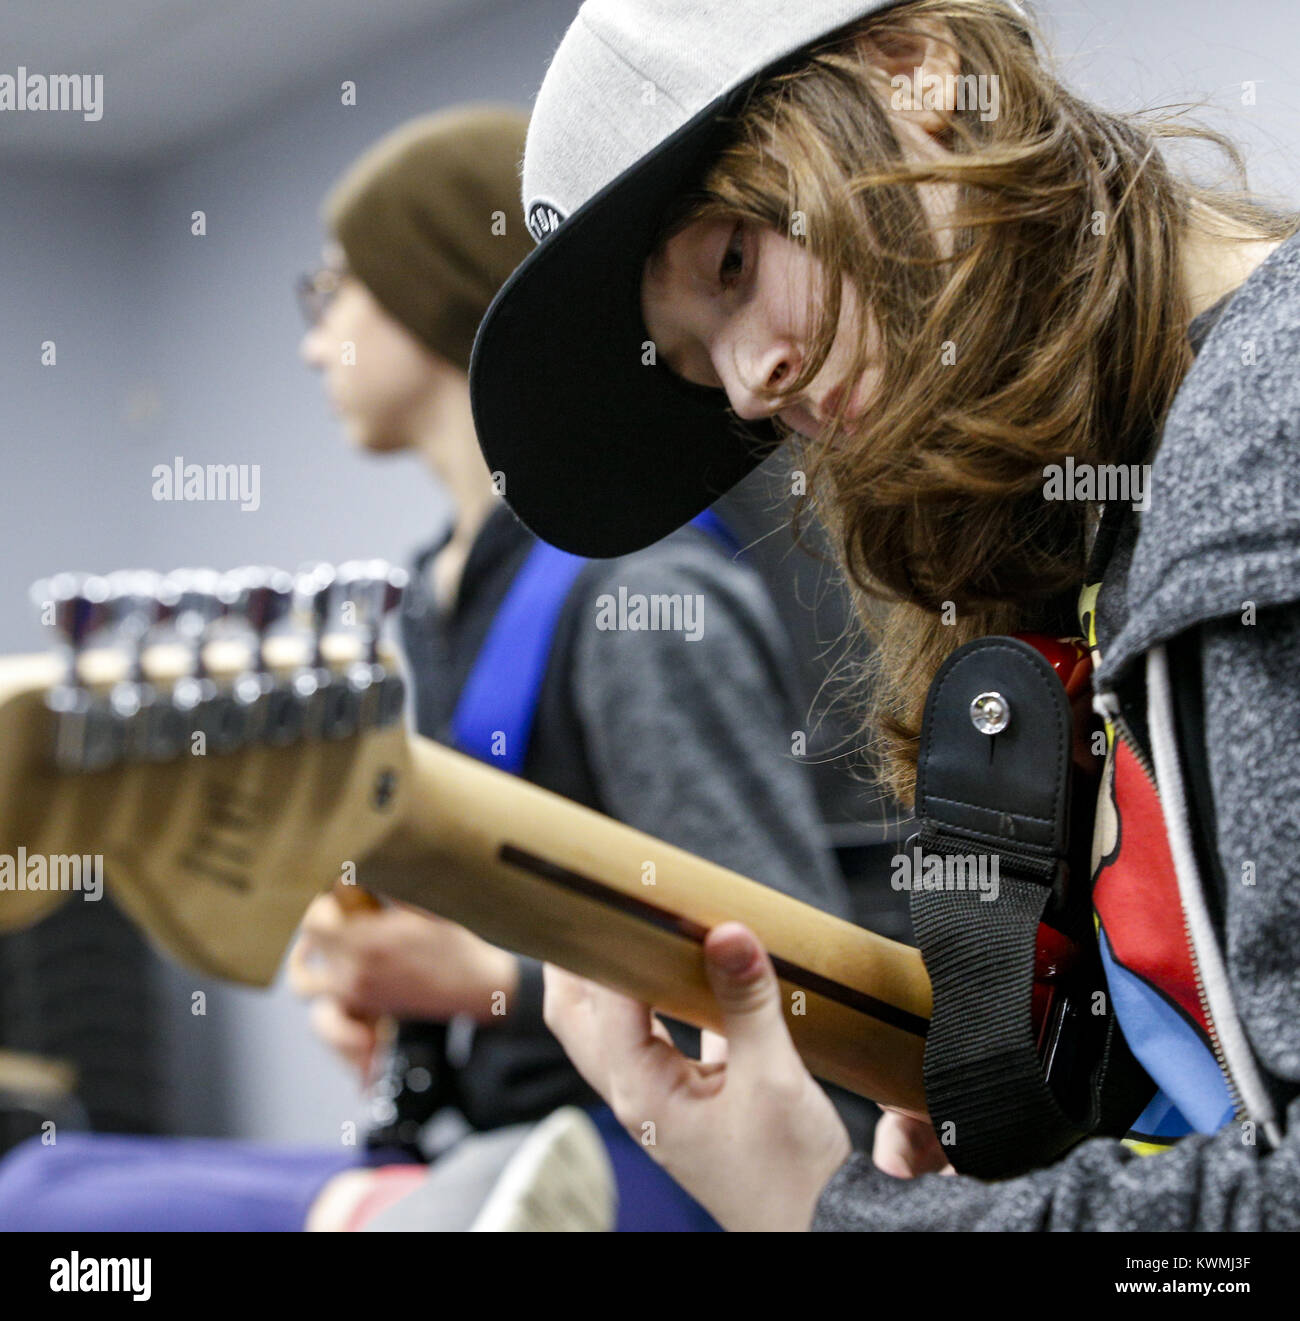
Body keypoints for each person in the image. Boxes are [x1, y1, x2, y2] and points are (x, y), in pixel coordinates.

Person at [467, 0, 1300, 1231]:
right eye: (706, 367)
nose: (753, 383)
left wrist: (826, 1212)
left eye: (737, 262)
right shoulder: (1109, 532)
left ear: (916, 72)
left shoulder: (1265, 437)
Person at [0, 105, 864, 1232]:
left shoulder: (636, 597)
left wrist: (482, 983)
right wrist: (401, 994)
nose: (313, 340)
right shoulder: (434, 602)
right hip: (496, 1143)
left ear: (432, 284)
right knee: (43, 1187)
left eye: (332, 293)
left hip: (659, 1149)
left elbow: (797, 984)